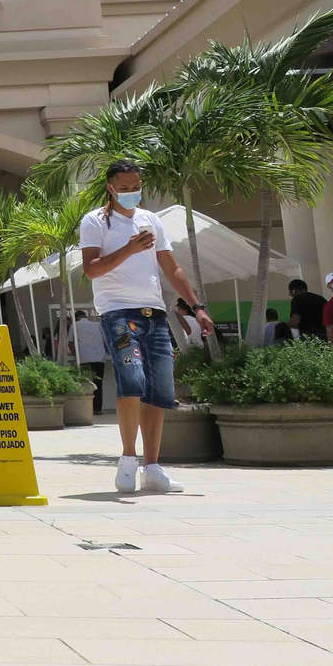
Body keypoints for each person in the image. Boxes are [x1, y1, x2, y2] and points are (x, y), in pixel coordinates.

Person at [79, 159, 213, 495]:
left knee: (160, 389)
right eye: (124, 188)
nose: (131, 193)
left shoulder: (151, 220)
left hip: (155, 312)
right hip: (118, 312)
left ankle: (153, 467)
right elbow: (91, 270)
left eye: (136, 187)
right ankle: (128, 459)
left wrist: (197, 308)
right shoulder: (95, 221)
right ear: (110, 187)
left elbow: (172, 268)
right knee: (132, 380)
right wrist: (130, 248)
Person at [68, 309, 107, 415]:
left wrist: (75, 354)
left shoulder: (74, 326)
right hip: (99, 358)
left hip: (84, 358)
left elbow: (70, 343)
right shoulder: (97, 325)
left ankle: (85, 409)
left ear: (76, 318)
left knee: (84, 384)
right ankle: (97, 409)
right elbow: (105, 341)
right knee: (98, 384)